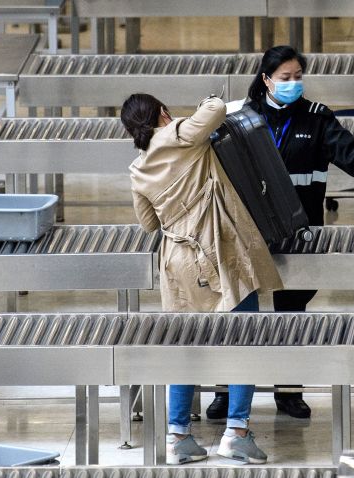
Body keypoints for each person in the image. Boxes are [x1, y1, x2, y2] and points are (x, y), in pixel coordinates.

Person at [207, 45, 354, 421]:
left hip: (296, 231)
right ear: (266, 79)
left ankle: (289, 391)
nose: (293, 84)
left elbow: (352, 153)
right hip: (247, 232)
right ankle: (227, 390)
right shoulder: (240, 117)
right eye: (285, 78)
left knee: (292, 314)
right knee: (237, 314)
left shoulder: (316, 119)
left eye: (297, 77)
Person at [123, 93, 283, 464]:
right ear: (163, 113)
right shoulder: (179, 134)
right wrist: (208, 99)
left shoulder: (138, 167)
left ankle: (178, 438)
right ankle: (237, 433)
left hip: (178, 261)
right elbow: (215, 110)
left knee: (186, 347)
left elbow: (148, 223)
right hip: (219, 249)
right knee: (244, 341)